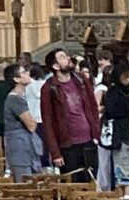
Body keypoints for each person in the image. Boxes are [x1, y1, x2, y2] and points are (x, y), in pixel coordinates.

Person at [40, 49, 100, 182]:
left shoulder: (80, 80)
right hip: (68, 145)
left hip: (88, 141)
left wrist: (96, 134)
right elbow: (48, 122)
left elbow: (93, 107)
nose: (68, 58)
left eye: (66, 55)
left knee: (90, 182)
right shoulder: (49, 87)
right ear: (56, 66)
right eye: (62, 57)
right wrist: (55, 152)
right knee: (72, 184)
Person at [102, 60, 129, 199]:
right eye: (125, 77)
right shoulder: (113, 91)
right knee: (122, 164)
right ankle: (123, 193)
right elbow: (116, 110)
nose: (128, 80)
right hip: (120, 134)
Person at [3, 63, 42, 181]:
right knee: (25, 184)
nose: (28, 73)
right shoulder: (14, 99)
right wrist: (33, 120)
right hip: (19, 146)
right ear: (16, 79)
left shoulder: (21, 96)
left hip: (23, 144)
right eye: (24, 72)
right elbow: (31, 125)